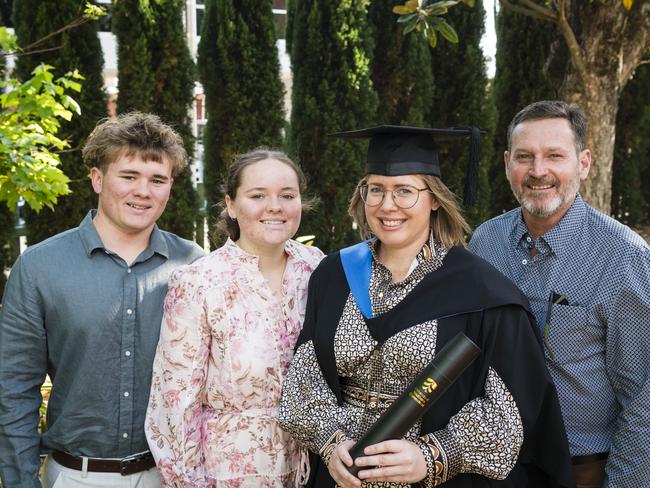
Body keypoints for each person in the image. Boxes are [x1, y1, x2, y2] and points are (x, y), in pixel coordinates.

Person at [279, 125, 575, 488]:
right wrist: (331, 443)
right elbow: (305, 379)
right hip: (345, 476)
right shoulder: (335, 275)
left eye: (405, 191)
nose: (388, 206)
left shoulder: (481, 293)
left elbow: (511, 412)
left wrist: (434, 455)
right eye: (376, 190)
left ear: (434, 198)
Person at [0, 112, 205, 488]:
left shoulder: (194, 265)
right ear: (97, 178)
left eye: (157, 180)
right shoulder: (39, 267)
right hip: (75, 477)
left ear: (170, 188)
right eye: (128, 176)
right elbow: (14, 388)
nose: (143, 191)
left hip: (172, 477)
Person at [469, 100, 650, 488]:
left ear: (583, 163)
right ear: (506, 163)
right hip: (492, 466)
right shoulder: (486, 242)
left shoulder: (624, 259)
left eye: (554, 155)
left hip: (583, 470)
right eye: (524, 157)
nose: (538, 171)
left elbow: (643, 398)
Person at [145, 149, 324, 487]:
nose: (275, 206)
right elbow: (174, 404)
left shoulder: (316, 268)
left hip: (310, 470)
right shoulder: (200, 282)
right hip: (229, 474)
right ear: (230, 204)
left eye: (287, 195)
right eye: (258, 196)